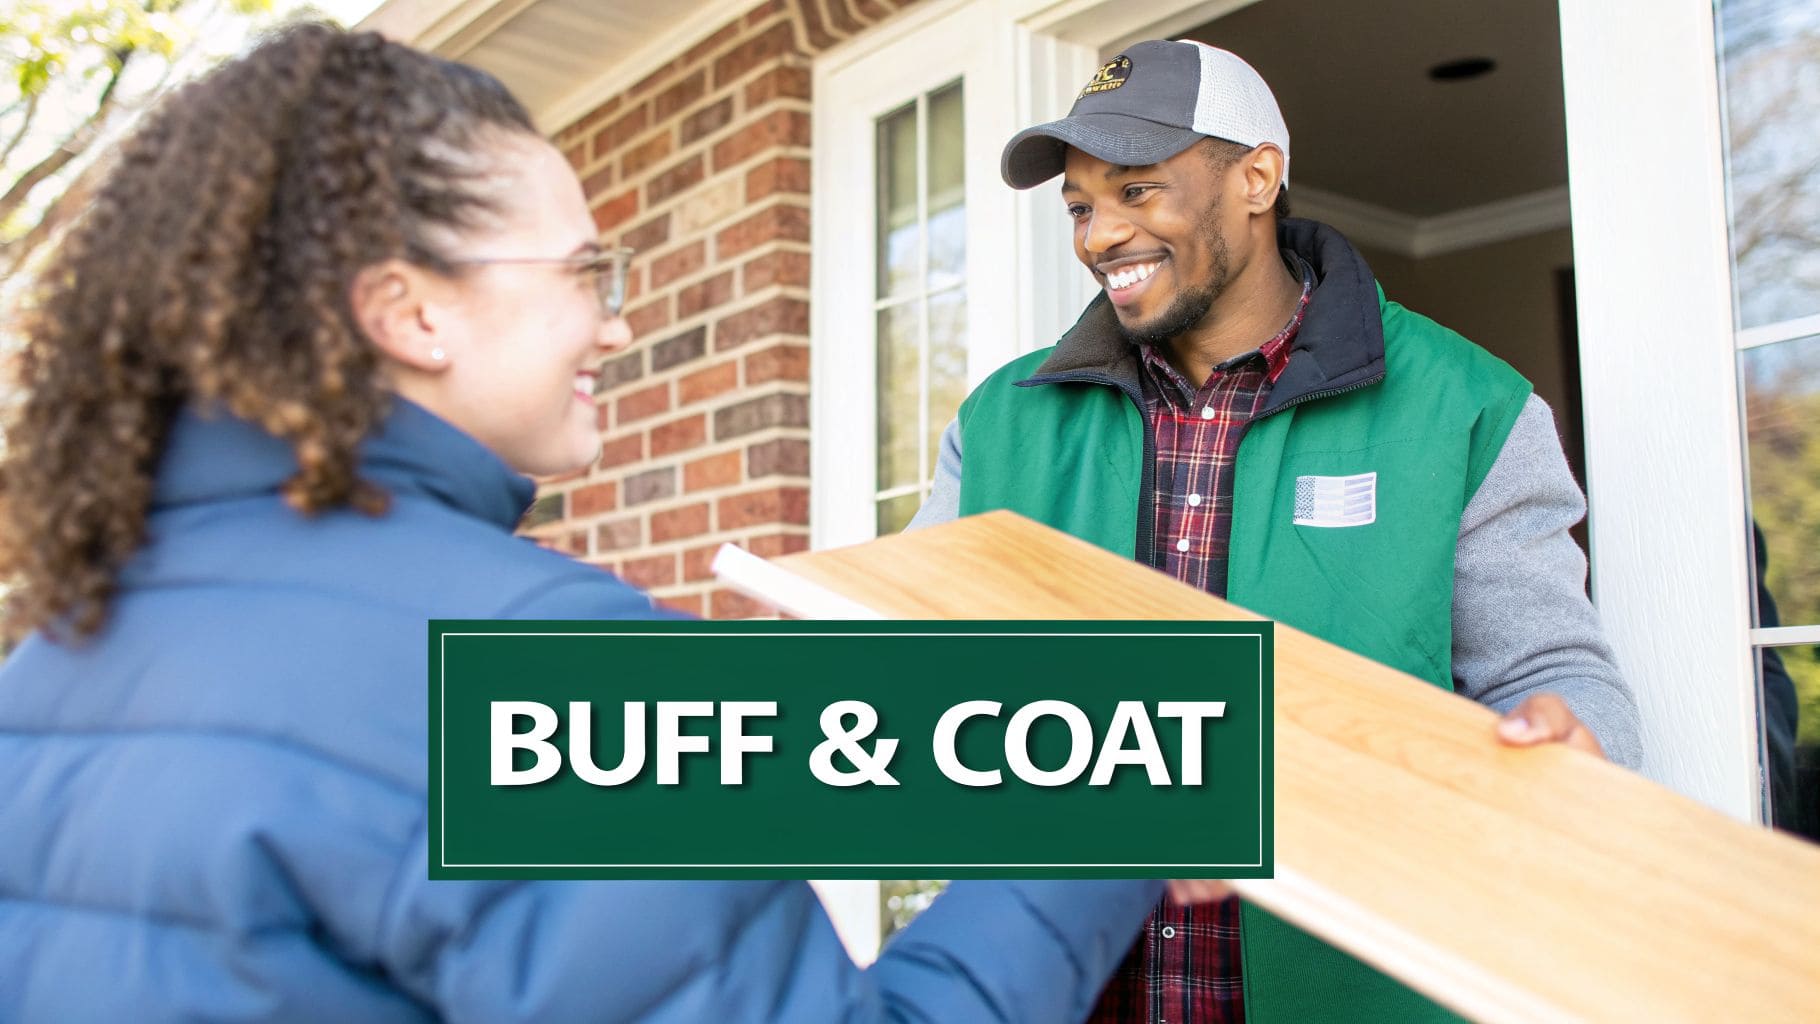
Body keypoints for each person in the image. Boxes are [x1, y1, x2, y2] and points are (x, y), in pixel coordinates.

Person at [0, 24, 1161, 1021]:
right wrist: (1110, 819)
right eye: (585, 274)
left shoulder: (58, 656)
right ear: (409, 311)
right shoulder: (535, 659)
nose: (614, 325)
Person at [909, 39, 1643, 1023]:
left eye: (1136, 190)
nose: (1100, 234)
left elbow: (1555, 676)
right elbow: (908, 672)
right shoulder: (1000, 424)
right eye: (1080, 207)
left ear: (1255, 178)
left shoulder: (1466, 407)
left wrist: (1574, 748)